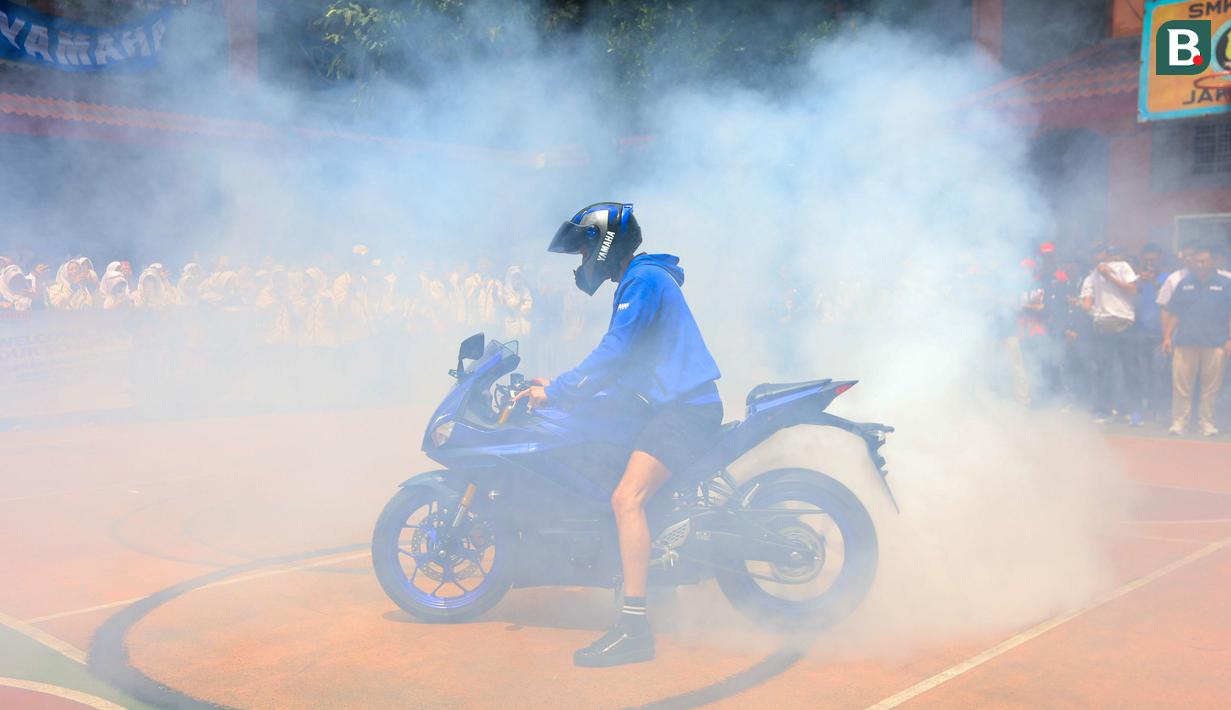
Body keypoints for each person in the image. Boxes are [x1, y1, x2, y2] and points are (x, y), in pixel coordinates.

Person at [514, 203, 722, 668]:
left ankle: (634, 630)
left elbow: (616, 351)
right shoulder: (644, 278)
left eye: (584, 250)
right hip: (677, 405)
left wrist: (560, 391)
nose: (582, 260)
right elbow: (624, 364)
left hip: (685, 411)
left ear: (605, 244)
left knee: (626, 500)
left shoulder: (641, 281)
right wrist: (562, 388)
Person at [1162, 244, 1231, 436]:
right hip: (1185, 342)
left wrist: (1230, 339)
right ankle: (1179, 422)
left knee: (1211, 388)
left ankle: (1206, 423)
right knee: (1181, 386)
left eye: (1204, 261)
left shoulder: (1226, 285)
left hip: (1215, 343)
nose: (1200, 265)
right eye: (1197, 261)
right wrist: (1167, 337)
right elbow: (1175, 313)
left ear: (1213, 262)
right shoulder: (1184, 284)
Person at [1080, 244, 1140, 423]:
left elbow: (1133, 290)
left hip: (1125, 323)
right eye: (1096, 257)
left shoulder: (1123, 267)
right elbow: (1087, 305)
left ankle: (1133, 412)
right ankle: (1104, 410)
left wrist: (1109, 276)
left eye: (1102, 256)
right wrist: (1093, 311)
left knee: (1130, 369)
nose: (1100, 260)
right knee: (1104, 370)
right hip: (1103, 326)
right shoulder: (1090, 277)